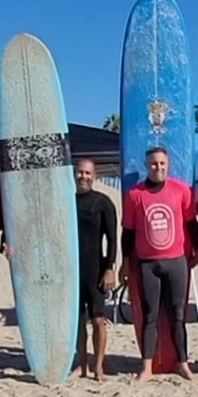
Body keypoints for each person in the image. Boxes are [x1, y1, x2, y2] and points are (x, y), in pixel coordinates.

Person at [121, 146, 198, 382]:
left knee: (178, 315)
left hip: (176, 261)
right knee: (150, 316)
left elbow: (191, 224)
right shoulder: (135, 195)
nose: (158, 168)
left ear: (168, 165)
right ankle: (146, 367)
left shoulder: (182, 191)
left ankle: (183, 363)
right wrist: (126, 262)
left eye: (162, 164)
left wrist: (197, 250)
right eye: (154, 164)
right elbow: (128, 232)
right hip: (147, 264)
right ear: (147, 166)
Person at [71, 158, 118, 381]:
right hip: (73, 271)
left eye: (87, 173)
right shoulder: (67, 202)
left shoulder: (103, 202)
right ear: (74, 174)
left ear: (95, 176)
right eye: (80, 173)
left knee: (98, 320)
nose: (83, 177)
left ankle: (98, 366)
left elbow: (112, 238)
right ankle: (82, 365)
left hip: (96, 270)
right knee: (78, 322)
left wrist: (109, 269)